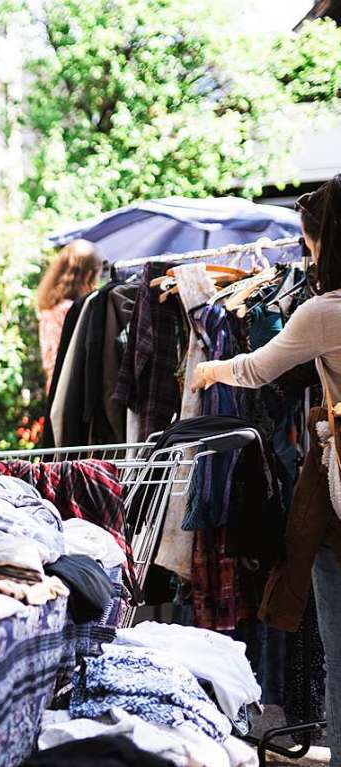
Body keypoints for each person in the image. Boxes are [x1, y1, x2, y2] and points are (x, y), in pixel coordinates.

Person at [191, 174, 341, 767]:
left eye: (310, 241)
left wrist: (209, 372)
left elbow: (256, 370)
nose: (306, 253)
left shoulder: (325, 311)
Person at [36, 239, 102, 391]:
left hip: (54, 386)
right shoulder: (72, 310)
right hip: (71, 389)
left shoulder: (50, 306)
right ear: (88, 275)